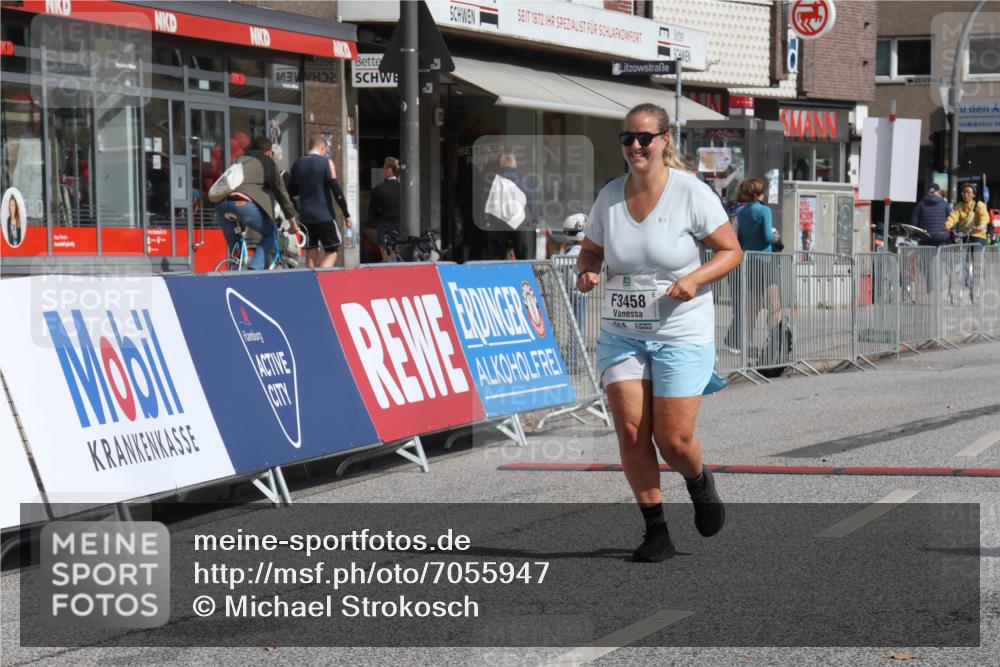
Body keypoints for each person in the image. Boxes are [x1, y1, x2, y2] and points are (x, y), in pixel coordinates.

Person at [575, 102, 743, 562]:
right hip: (622, 332)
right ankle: (656, 533)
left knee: (673, 441)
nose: (634, 146)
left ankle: (698, 479)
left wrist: (694, 278)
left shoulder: (691, 193)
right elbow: (589, 253)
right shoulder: (609, 196)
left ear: (665, 140)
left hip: (680, 331)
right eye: (627, 138)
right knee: (631, 432)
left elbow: (731, 252)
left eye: (644, 138)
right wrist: (587, 273)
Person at [213, 136, 298, 270]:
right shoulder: (268, 162)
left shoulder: (239, 160)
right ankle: (254, 270)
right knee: (271, 232)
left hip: (221, 205)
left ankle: (232, 277)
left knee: (235, 248)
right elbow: (281, 193)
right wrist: (292, 222)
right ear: (269, 152)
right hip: (242, 204)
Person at [724, 178, 781, 353]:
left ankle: (746, 341)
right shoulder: (764, 210)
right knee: (774, 305)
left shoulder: (742, 212)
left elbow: (740, 239)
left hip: (749, 262)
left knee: (752, 306)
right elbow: (767, 237)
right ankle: (775, 341)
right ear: (759, 193)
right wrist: (776, 236)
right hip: (765, 261)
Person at [289, 134, 352, 268]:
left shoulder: (297, 164)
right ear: (322, 147)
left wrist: (300, 210)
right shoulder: (326, 163)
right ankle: (320, 278)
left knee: (311, 250)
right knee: (333, 250)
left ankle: (309, 283)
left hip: (305, 217)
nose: (326, 154)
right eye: (326, 151)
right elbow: (336, 190)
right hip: (324, 215)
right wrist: (346, 214)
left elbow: (292, 193)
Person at [369, 157, 401, 260]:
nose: (383, 171)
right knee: (398, 255)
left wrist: (379, 215)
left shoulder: (379, 189)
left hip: (384, 226)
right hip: (400, 227)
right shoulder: (402, 188)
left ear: (389, 170)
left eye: (384, 168)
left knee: (385, 257)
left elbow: (371, 212)